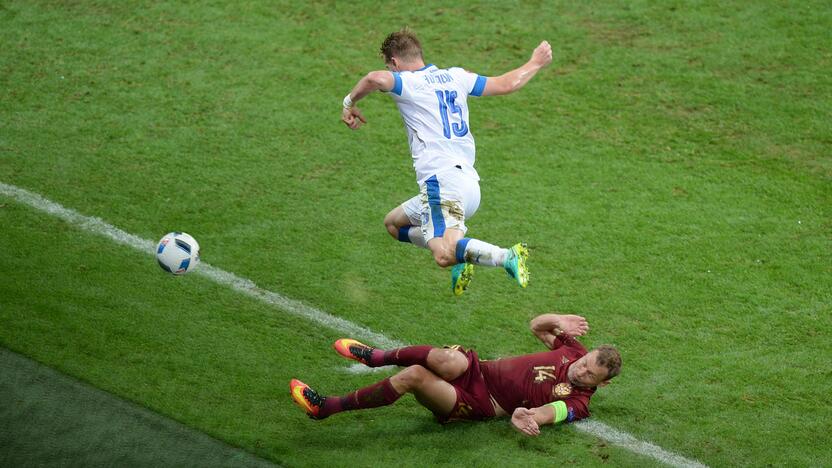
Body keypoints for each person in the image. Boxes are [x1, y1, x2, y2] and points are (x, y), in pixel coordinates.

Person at [340, 29, 553, 295]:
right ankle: (463, 257)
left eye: (389, 66)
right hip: (469, 186)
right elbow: (507, 84)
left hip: (442, 184)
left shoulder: (407, 82)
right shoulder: (457, 76)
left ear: (394, 62)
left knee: (444, 255)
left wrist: (349, 103)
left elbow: (374, 78)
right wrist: (535, 62)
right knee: (394, 225)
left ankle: (505, 256)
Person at [290, 314, 621, 436]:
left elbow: (552, 412)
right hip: (479, 369)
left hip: (479, 401)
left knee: (415, 375)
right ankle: (376, 357)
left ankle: (326, 408)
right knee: (447, 360)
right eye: (585, 362)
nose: (581, 369)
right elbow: (537, 325)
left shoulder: (578, 402)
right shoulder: (574, 351)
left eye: (590, 374)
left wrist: (529, 416)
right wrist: (558, 317)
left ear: (601, 384)